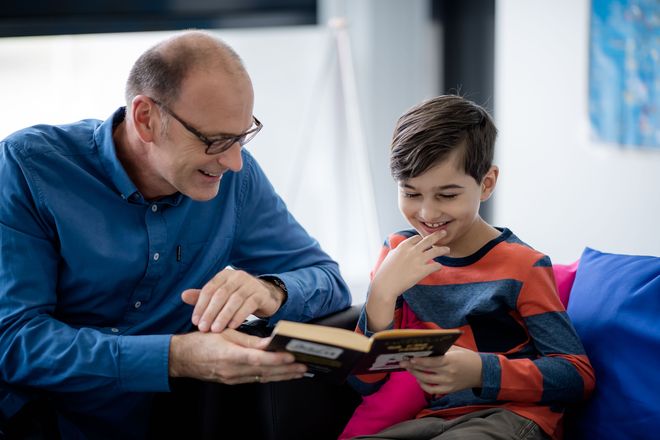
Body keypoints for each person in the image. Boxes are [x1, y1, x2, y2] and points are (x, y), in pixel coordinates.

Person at [0, 30, 351, 439]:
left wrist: (270, 291)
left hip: (180, 421)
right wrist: (175, 357)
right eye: (215, 141)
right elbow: (15, 340)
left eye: (241, 137)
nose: (235, 162)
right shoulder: (29, 167)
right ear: (145, 118)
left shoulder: (235, 179)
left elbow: (327, 278)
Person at [345, 95, 595, 439]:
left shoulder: (523, 266)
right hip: (434, 417)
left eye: (447, 195)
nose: (428, 214)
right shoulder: (397, 255)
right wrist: (381, 296)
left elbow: (576, 376)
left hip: (513, 415)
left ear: (487, 183)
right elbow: (363, 382)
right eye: (411, 193)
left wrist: (480, 371)